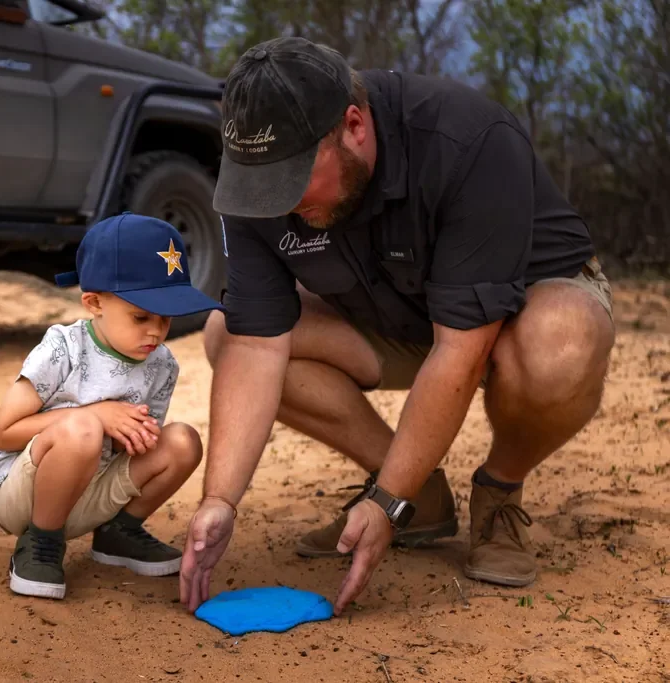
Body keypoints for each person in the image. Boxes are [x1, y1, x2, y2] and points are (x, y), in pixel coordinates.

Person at [179, 36, 616, 615]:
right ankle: (422, 498)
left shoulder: (466, 140)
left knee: (560, 342)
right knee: (226, 332)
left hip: (511, 317)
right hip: (385, 312)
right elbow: (257, 345)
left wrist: (385, 503)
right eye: (262, 186)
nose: (277, 205)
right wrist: (220, 500)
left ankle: (499, 492)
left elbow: (459, 349)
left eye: (291, 182)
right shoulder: (255, 182)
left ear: (353, 126)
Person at [0, 212, 224, 600]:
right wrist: (95, 415)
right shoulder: (63, 348)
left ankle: (118, 534)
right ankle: (41, 543)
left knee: (183, 441)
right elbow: (3, 433)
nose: (155, 331)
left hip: (91, 489)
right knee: (83, 430)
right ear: (93, 302)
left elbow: (136, 448)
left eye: (166, 319)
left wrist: (133, 436)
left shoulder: (161, 364)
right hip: (21, 494)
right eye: (140, 316)